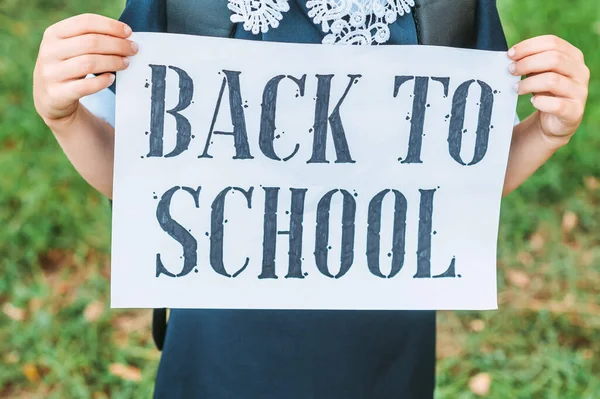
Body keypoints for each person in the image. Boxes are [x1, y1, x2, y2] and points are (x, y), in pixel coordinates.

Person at [32, 1, 590, 397]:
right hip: (216, 359)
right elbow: (136, 182)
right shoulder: (188, 5)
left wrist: (545, 131)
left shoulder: (445, 5)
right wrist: (65, 118)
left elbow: (461, 185)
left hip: (384, 361)